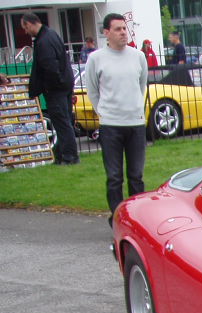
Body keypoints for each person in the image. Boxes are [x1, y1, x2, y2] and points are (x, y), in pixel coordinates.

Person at [83, 13, 148, 226]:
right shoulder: (96, 59)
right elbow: (92, 89)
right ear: (106, 33)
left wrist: (136, 108)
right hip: (111, 125)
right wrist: (103, 111)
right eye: (118, 29)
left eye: (124, 28)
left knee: (136, 176)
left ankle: (137, 219)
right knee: (114, 177)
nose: (123, 32)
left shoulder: (138, 56)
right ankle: (118, 219)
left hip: (135, 123)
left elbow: (142, 85)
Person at [20, 12, 78, 166]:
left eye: (25, 27)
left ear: (30, 23)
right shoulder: (52, 34)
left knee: (62, 122)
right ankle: (61, 155)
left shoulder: (43, 41)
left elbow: (50, 67)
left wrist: (49, 86)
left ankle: (69, 157)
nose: (25, 32)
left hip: (55, 89)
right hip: (64, 86)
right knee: (64, 121)